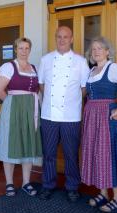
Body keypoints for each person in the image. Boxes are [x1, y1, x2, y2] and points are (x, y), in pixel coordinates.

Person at [81, 36, 117, 212]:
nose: (96, 51)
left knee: (108, 154)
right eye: (93, 49)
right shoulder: (91, 72)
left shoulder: (113, 68)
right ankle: (104, 193)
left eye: (100, 48)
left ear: (107, 51)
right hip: (91, 116)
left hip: (106, 116)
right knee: (97, 153)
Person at [38, 26, 90, 202]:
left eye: (65, 37)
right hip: (48, 115)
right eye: (59, 36)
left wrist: (71, 100)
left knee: (71, 154)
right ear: (55, 38)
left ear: (72, 39)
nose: (62, 40)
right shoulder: (45, 60)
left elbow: (84, 88)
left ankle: (72, 187)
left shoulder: (81, 61)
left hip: (71, 116)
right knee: (49, 153)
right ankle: (47, 185)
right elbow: (42, 85)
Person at [0, 37, 42, 197]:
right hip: (14, 108)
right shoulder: (9, 67)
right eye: (21, 48)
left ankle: (26, 182)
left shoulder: (34, 68)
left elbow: (38, 90)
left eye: (27, 48)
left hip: (31, 109)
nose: (24, 51)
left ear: (30, 50)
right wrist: (11, 105)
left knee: (28, 142)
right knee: (11, 143)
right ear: (15, 49)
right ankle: (9, 183)